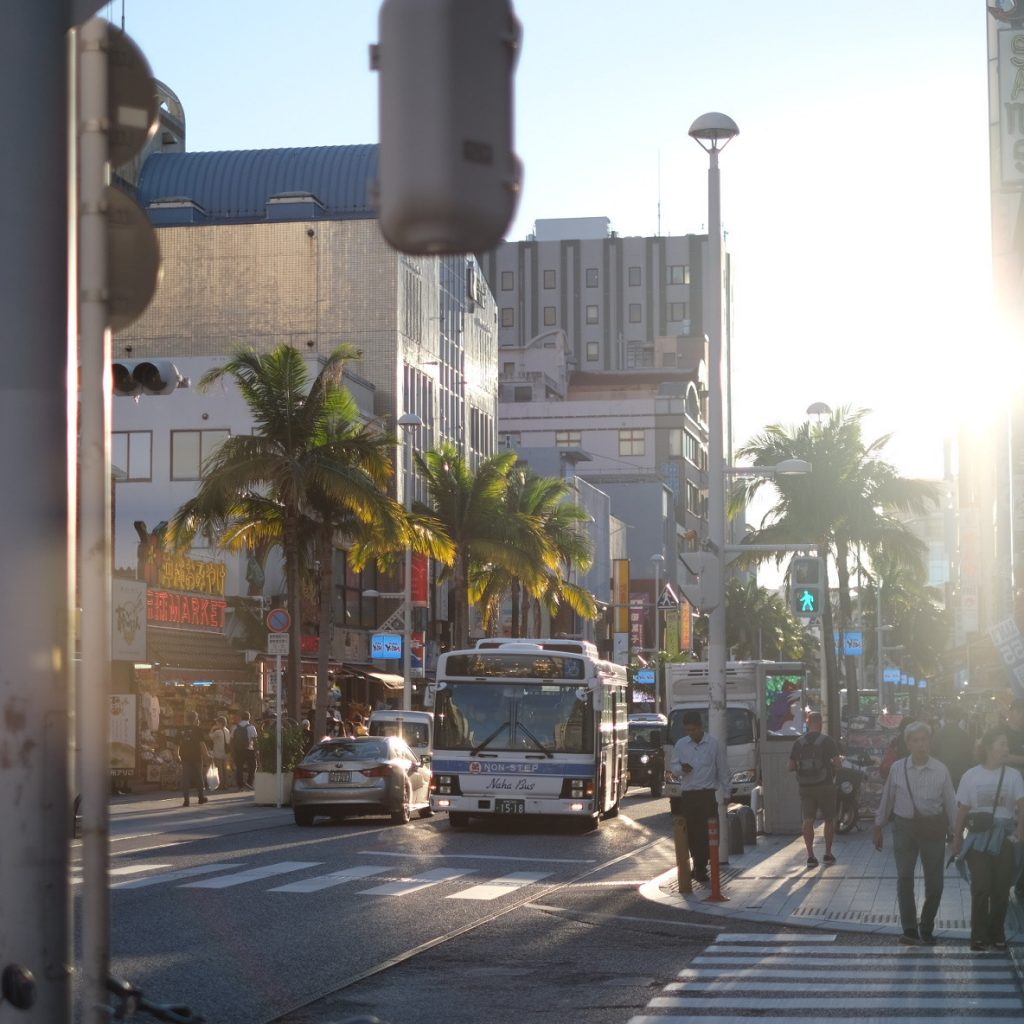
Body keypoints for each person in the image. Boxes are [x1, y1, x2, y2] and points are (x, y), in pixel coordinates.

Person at [872, 721, 957, 945]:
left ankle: (926, 926)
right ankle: (909, 929)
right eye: (916, 740)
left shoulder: (941, 769)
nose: (921, 745)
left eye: (924, 740)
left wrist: (957, 833)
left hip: (933, 829)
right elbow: (888, 798)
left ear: (930, 742)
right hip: (904, 828)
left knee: (935, 883)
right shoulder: (897, 768)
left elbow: (950, 803)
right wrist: (878, 825)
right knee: (904, 878)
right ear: (908, 744)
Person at [952, 727, 1024, 951]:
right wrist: (956, 839)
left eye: (1006, 744)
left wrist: (1021, 829)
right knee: (981, 886)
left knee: (1001, 888)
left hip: (1004, 837)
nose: (1006, 748)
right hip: (979, 839)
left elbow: (1021, 805)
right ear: (989, 747)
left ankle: (997, 932)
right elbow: (963, 810)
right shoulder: (971, 775)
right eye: (1002, 743)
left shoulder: (1014, 775)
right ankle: (978, 934)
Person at [669, 709, 730, 884]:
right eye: (687, 730)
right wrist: (682, 769)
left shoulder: (713, 744)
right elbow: (674, 767)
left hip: (707, 794)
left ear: (701, 727)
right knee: (691, 834)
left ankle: (702, 866)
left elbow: (723, 769)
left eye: (693, 730)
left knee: (708, 833)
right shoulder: (681, 745)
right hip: (688, 795)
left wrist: (726, 792)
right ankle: (697, 865)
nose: (690, 733)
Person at [788, 711, 842, 867]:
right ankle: (828, 853)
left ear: (808, 722)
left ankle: (810, 856)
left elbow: (790, 767)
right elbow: (838, 763)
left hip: (805, 787)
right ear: (820, 724)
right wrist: (833, 767)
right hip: (825, 785)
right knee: (829, 819)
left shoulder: (799, 742)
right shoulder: (827, 741)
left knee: (808, 820)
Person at [177, 711, 210, 808]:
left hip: (185, 757)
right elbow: (202, 744)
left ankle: (186, 800)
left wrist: (177, 754)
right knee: (199, 777)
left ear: (186, 718)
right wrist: (206, 755)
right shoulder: (197, 729)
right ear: (195, 719)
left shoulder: (181, 729)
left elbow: (177, 744)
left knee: (185, 778)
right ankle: (201, 798)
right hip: (196, 757)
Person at [231, 711, 257, 790]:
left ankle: (240, 784)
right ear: (249, 718)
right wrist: (256, 750)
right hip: (249, 750)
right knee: (252, 766)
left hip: (238, 750)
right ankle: (249, 782)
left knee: (239, 767)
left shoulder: (235, 727)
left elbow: (231, 740)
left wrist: (233, 752)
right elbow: (255, 740)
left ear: (241, 718)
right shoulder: (251, 727)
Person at [207, 716, 231, 791]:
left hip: (218, 753)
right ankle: (226, 785)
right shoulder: (227, 731)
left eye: (217, 722)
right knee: (225, 770)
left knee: (220, 770)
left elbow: (210, 737)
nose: (216, 723)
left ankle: (221, 785)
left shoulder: (217, 732)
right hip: (226, 753)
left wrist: (212, 729)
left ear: (220, 723)